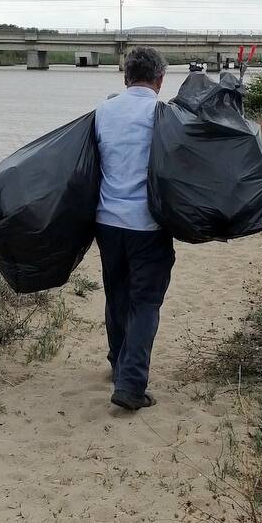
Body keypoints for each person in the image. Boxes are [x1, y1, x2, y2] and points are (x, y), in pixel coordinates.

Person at [95, 46, 175, 411]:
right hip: (148, 224)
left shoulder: (102, 111)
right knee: (145, 302)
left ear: (125, 77)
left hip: (107, 222)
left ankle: (118, 363)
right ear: (159, 80)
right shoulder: (164, 114)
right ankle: (130, 385)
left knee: (117, 295)